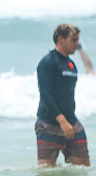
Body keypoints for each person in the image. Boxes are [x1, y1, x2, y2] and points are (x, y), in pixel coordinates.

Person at [35, 24, 90, 168]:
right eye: (74, 40)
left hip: (71, 122)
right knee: (46, 172)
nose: (77, 43)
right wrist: (62, 121)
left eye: (78, 40)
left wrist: (67, 121)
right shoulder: (47, 62)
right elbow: (45, 94)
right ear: (61, 39)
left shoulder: (71, 64)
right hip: (48, 123)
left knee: (83, 167)